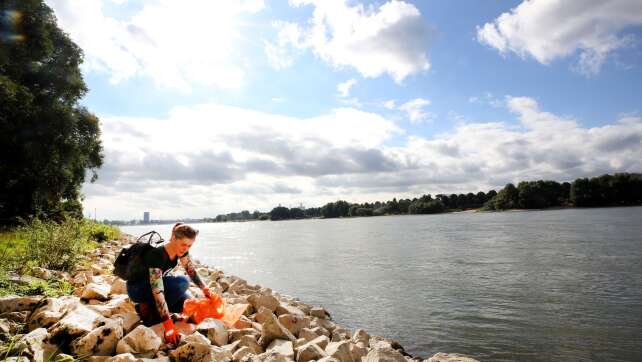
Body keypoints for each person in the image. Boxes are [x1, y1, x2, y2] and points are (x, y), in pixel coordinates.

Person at [126, 222, 212, 345]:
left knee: (189, 304)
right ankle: (148, 309)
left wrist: (205, 289)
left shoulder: (181, 251)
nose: (186, 248)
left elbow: (191, 270)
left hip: (153, 285)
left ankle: (150, 308)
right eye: (183, 244)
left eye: (189, 246)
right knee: (182, 283)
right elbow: (157, 291)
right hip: (137, 288)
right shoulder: (156, 255)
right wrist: (168, 324)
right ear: (173, 238)